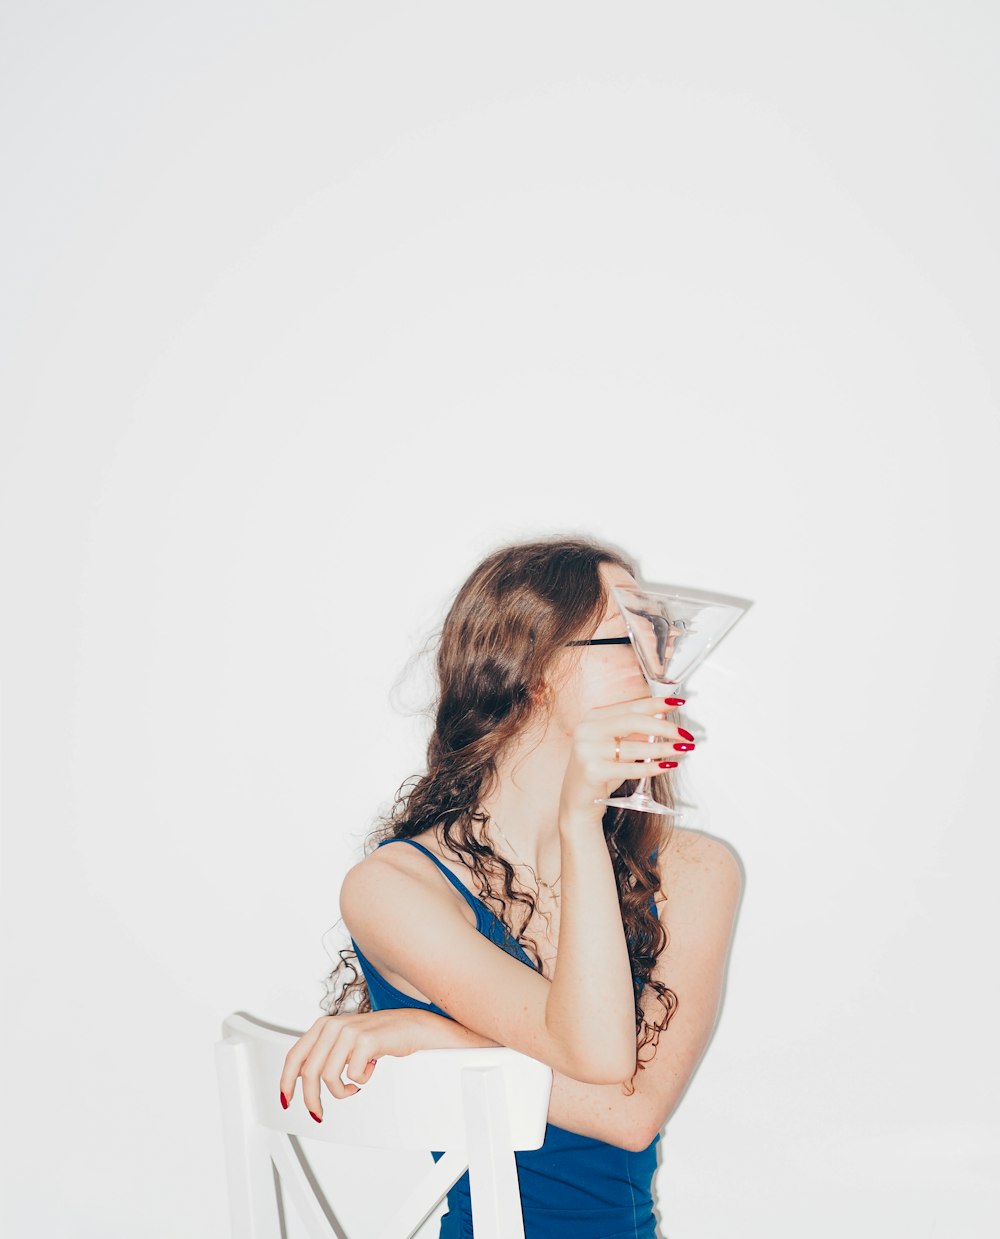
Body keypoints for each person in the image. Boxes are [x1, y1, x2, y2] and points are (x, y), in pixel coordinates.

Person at [280, 536, 743, 1238]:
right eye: (628, 638)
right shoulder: (395, 888)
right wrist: (580, 819)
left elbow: (630, 1113)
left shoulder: (698, 872)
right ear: (532, 669)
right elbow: (595, 1063)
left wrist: (430, 1035)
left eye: (661, 637)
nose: (662, 662)